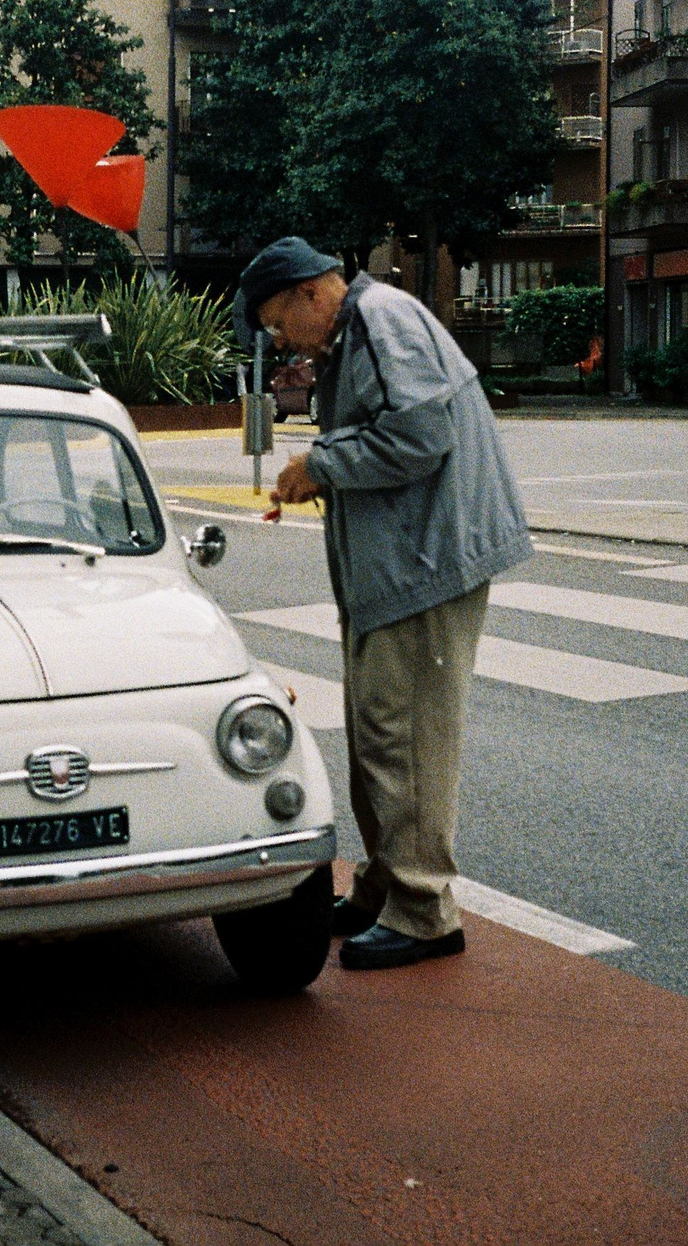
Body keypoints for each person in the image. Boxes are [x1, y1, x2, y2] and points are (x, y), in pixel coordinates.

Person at [240, 238, 534, 971]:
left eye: (280, 323)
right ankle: (383, 885)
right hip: (406, 559)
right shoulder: (363, 326)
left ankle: (423, 907)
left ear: (313, 292)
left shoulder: (381, 320)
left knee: (401, 732)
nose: (282, 342)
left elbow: (420, 435)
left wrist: (323, 465)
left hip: (424, 561)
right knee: (379, 722)